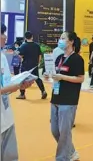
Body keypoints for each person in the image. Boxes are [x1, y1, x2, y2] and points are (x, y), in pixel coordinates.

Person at [45, 31, 84, 161]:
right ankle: (72, 152)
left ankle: (62, 158)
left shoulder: (77, 59)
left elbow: (80, 79)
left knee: (64, 133)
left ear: (71, 41)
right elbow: (55, 74)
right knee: (55, 131)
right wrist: (48, 75)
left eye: (63, 38)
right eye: (60, 38)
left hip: (68, 100)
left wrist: (62, 77)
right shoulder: (59, 58)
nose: (60, 40)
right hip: (55, 97)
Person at [1, 24, 34, 161]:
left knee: (11, 156)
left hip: (6, 115)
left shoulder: (2, 56)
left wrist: (20, 83)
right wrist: (12, 87)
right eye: (2, 33)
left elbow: (6, 82)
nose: (5, 37)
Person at [16, 31, 47, 100]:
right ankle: (43, 91)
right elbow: (39, 55)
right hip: (34, 65)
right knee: (37, 78)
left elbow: (19, 55)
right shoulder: (37, 45)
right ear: (32, 36)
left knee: (22, 79)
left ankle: (22, 94)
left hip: (25, 65)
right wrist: (37, 63)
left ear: (25, 37)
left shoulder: (23, 46)